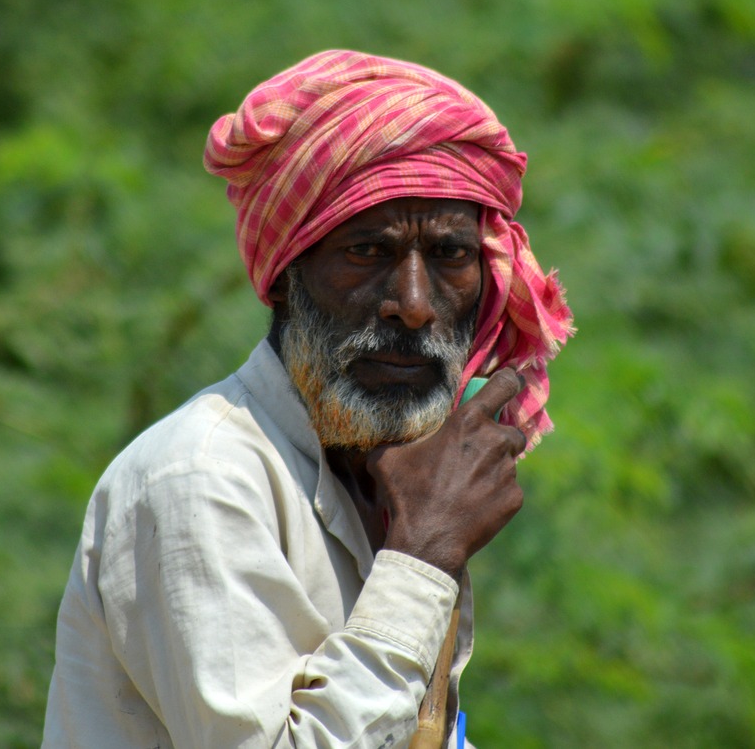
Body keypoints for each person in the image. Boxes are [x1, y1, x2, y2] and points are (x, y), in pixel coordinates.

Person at [42, 50, 573, 748]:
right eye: (364, 252)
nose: (414, 306)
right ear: (287, 275)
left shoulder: (391, 485)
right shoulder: (203, 477)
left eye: (448, 256)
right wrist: (421, 560)